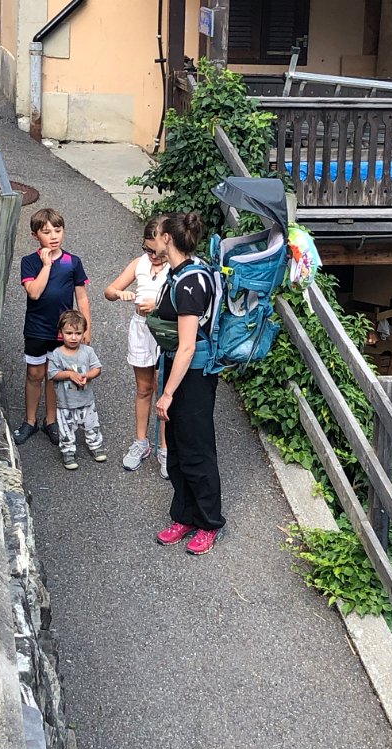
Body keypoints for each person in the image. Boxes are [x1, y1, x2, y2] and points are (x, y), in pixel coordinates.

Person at [152, 212, 226, 555]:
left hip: (193, 374)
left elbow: (187, 346)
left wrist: (167, 394)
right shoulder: (184, 270)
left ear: (168, 238)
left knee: (196, 449)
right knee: (179, 447)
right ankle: (184, 515)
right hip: (179, 368)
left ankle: (209, 522)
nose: (153, 240)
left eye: (156, 234)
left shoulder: (190, 283)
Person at [13, 208, 91, 446]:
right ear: (35, 235)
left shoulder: (72, 262)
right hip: (36, 328)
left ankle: (51, 421)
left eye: (57, 230)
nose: (54, 236)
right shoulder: (29, 262)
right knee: (34, 373)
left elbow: (82, 297)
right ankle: (30, 421)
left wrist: (86, 328)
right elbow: (34, 293)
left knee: (54, 375)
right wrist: (46, 265)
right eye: (46, 232)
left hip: (62, 331)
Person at [104, 219, 170, 478]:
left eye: (157, 252)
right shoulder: (139, 263)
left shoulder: (176, 266)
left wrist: (158, 304)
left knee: (163, 391)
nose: (152, 256)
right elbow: (109, 290)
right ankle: (141, 442)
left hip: (164, 330)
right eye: (147, 249)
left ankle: (165, 448)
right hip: (141, 328)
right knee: (143, 389)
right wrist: (119, 294)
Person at [47, 310, 106, 470]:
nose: (73, 337)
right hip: (65, 403)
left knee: (92, 425)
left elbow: (97, 368)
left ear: (83, 333)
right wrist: (69, 374)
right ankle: (68, 452)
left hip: (86, 401)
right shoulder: (57, 354)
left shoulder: (88, 351)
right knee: (66, 429)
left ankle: (95, 446)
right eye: (69, 333)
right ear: (61, 333)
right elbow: (52, 374)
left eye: (78, 333)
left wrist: (88, 375)